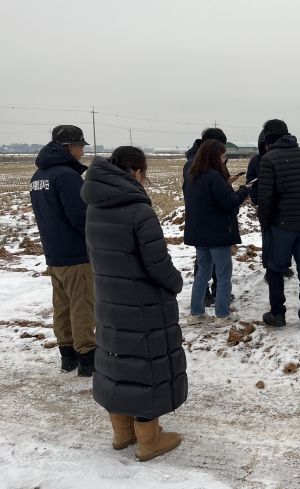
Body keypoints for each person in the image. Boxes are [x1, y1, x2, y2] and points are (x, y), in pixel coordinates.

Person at [81, 147, 186, 462]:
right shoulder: (139, 211)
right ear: (137, 172)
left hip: (109, 301)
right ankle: (149, 440)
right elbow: (157, 264)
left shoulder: (94, 207)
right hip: (143, 304)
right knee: (146, 368)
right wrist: (176, 283)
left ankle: (122, 433)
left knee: (118, 365)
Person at [30, 125, 96, 376]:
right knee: (82, 305)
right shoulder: (67, 176)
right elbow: (79, 216)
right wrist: (95, 238)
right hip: (75, 254)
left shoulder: (38, 176)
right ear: (67, 147)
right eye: (80, 146)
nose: (82, 151)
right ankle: (87, 357)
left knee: (62, 305)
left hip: (54, 252)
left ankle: (67, 355)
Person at [258, 119, 300, 331]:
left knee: (276, 269)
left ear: (269, 138)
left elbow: (265, 198)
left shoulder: (269, 159)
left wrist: (265, 223)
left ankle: (278, 314)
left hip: (281, 226)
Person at [184, 140, 250, 326]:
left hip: (199, 234)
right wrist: (243, 192)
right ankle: (222, 315)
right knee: (223, 275)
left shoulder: (193, 176)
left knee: (202, 274)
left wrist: (226, 184)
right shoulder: (214, 177)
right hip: (217, 234)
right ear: (215, 156)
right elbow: (228, 202)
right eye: (223, 155)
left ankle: (196, 313)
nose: (224, 158)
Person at [182, 128, 228, 307]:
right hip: (208, 222)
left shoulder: (203, 160)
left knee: (207, 267)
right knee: (209, 268)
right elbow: (201, 192)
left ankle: (202, 305)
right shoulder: (195, 164)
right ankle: (216, 307)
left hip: (202, 223)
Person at [247, 130, 294, 279]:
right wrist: (257, 200)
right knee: (268, 240)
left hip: (285, 207)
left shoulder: (287, 158)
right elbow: (250, 181)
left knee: (286, 238)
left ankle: (285, 265)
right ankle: (269, 268)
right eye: (266, 145)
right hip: (266, 206)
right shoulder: (256, 161)